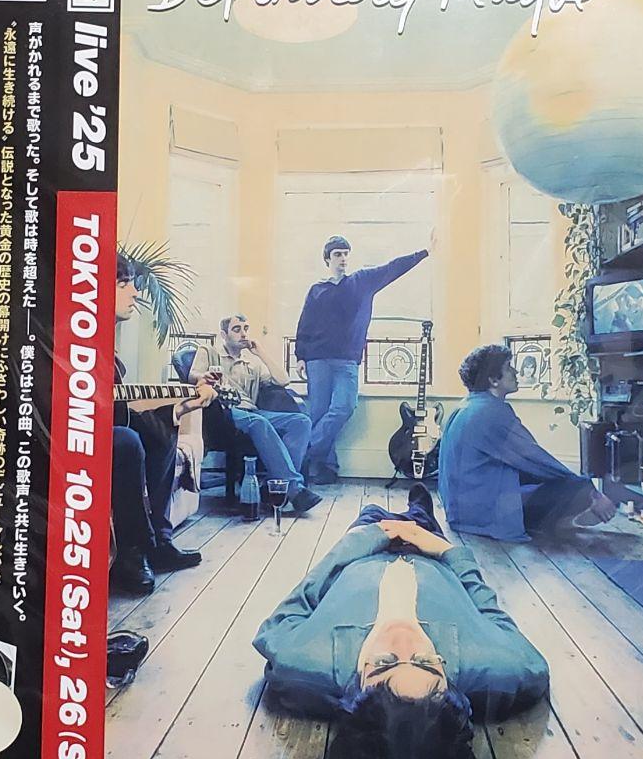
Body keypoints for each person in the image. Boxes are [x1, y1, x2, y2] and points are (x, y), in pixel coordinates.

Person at [253, 485, 549, 759]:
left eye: (383, 664)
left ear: (355, 687)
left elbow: (301, 598)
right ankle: (419, 507)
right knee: (421, 514)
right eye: (427, 663)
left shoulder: (301, 660)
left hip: (363, 548)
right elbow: (496, 618)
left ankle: (383, 509)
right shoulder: (501, 667)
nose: (405, 639)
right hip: (431, 552)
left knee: (369, 510)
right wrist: (448, 550)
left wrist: (364, 538)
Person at [112, 254, 216, 597]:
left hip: (106, 425)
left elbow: (117, 407)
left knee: (162, 430)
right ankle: (132, 553)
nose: (135, 293)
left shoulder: (106, 346)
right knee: (126, 440)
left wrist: (185, 406)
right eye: (123, 284)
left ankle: (159, 542)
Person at [438, 344, 616, 543]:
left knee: (543, 480)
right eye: (508, 367)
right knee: (576, 485)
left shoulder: (466, 405)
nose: (516, 371)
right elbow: (536, 459)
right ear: (493, 380)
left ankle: (557, 521)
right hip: (482, 515)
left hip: (460, 512)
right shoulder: (492, 412)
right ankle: (560, 521)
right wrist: (592, 493)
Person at [294, 233, 432, 484]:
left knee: (344, 407)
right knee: (318, 414)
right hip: (317, 358)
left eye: (346, 254)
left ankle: (300, 453)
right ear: (327, 259)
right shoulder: (317, 290)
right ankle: (325, 469)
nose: (343, 258)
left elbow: (392, 268)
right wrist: (300, 355)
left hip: (347, 360)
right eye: (337, 254)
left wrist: (424, 252)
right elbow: (305, 323)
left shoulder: (362, 281)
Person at [190, 315, 322, 515]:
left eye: (246, 328)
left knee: (301, 422)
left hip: (252, 412)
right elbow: (192, 375)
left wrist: (260, 352)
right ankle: (294, 488)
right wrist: (204, 377)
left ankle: (273, 486)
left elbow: (283, 380)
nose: (243, 333)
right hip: (224, 413)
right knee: (259, 422)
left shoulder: (251, 364)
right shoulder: (209, 351)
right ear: (224, 334)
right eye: (236, 329)